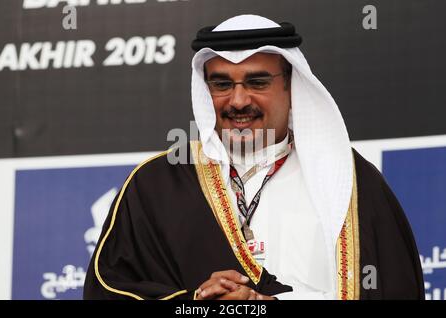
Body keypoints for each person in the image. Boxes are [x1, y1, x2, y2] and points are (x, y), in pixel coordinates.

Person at [83, 14, 424, 300]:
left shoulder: (350, 182)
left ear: (291, 85)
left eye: (257, 82)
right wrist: (197, 302)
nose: (238, 101)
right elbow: (109, 291)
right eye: (221, 84)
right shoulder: (158, 185)